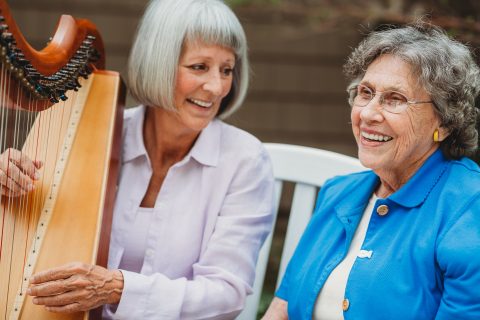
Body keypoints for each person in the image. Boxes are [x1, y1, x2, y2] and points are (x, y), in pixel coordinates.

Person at [6, 0, 275, 318]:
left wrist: (117, 288)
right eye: (199, 67)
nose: (217, 87)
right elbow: (21, 247)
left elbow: (224, 295)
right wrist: (10, 186)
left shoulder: (245, 160)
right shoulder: (96, 132)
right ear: (157, 64)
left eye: (226, 70)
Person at [263, 22, 480, 320]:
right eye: (365, 93)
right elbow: (283, 308)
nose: (367, 113)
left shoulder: (468, 206)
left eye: (395, 99)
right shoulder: (338, 193)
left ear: (444, 123)